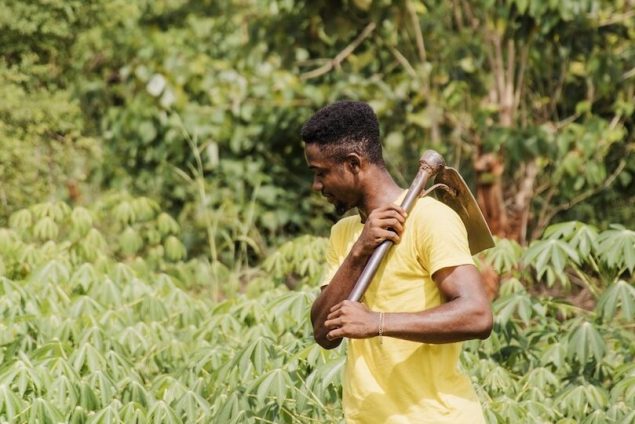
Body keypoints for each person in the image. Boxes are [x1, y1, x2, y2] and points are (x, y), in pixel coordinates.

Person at [301, 101, 493, 423]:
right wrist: (359, 251)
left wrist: (377, 323)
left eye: (322, 173)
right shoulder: (344, 235)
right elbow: (325, 333)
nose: (317, 186)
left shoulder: (430, 219)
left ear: (353, 164)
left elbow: (477, 315)